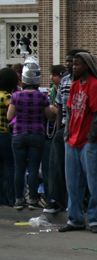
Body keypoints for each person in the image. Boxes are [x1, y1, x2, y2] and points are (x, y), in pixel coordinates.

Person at [59, 51, 97, 234]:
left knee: (93, 184)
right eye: (73, 64)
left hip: (89, 143)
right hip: (72, 141)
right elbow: (68, 111)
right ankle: (75, 219)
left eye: (77, 64)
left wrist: (91, 136)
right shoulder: (75, 85)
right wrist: (67, 135)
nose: (73, 67)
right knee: (72, 184)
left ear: (87, 66)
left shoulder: (95, 85)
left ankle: (94, 219)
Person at [7, 57, 56, 209]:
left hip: (19, 133)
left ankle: (19, 199)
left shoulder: (16, 96)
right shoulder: (41, 96)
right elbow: (48, 114)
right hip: (37, 133)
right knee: (34, 168)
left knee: (19, 168)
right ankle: (33, 199)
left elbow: (9, 116)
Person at [44, 49, 86, 214]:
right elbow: (61, 106)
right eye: (68, 62)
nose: (69, 65)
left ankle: (81, 202)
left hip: (82, 130)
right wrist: (59, 131)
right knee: (57, 166)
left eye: (74, 62)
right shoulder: (65, 81)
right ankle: (57, 200)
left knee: (81, 169)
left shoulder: (89, 81)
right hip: (65, 128)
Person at [42, 64, 66, 207]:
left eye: (54, 75)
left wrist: (54, 110)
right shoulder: (51, 91)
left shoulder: (63, 91)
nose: (52, 78)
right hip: (50, 131)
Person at [0, 67, 19, 206]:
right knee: (12, 167)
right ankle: (13, 198)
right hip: (6, 135)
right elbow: (15, 113)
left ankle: (1, 200)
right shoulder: (8, 97)